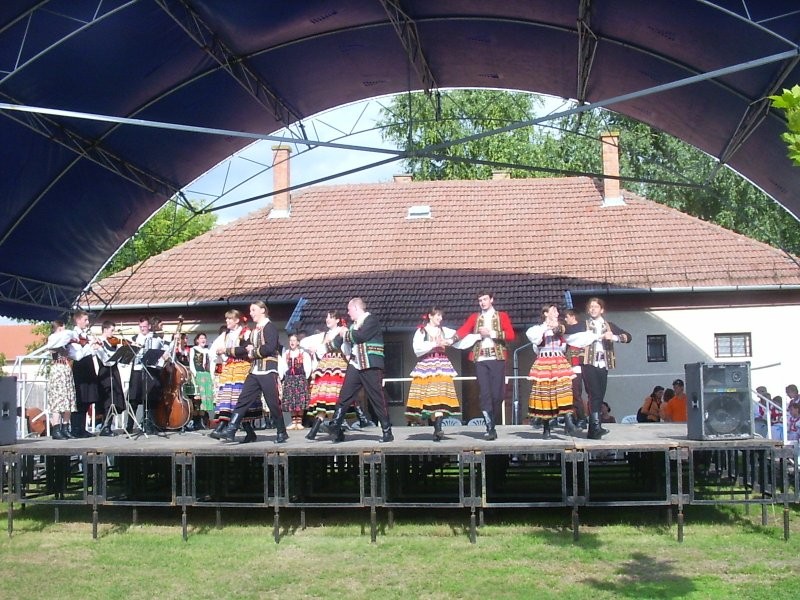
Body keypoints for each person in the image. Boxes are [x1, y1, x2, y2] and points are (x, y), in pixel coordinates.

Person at [212, 301, 286, 444]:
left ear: (262, 310)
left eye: (253, 310)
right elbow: (244, 349)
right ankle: (231, 429)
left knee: (272, 403)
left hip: (268, 370)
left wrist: (253, 351)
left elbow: (270, 347)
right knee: (243, 400)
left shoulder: (269, 327)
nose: (251, 313)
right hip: (255, 370)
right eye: (251, 311)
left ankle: (281, 431)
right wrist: (228, 350)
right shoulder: (255, 331)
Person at [326, 297, 393, 443]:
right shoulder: (353, 325)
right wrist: (324, 347)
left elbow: (361, 336)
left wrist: (345, 333)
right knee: (344, 396)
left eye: (349, 309)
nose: (348, 313)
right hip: (356, 364)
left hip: (370, 364)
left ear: (356, 308)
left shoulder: (371, 320)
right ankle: (335, 427)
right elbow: (339, 341)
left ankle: (387, 431)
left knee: (377, 397)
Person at [452, 290, 515, 441]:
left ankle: (493, 421)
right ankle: (489, 427)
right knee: (485, 393)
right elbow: (463, 330)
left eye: (485, 299)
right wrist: (451, 339)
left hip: (497, 358)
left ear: (491, 300)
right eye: (480, 300)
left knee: (498, 395)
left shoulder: (501, 316)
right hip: (480, 359)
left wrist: (491, 333)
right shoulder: (475, 317)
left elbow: (511, 335)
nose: (482, 303)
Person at [564, 297, 631, 439]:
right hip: (589, 362)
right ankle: (594, 427)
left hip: (603, 363)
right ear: (588, 310)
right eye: (591, 307)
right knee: (594, 393)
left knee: (600, 395)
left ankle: (595, 427)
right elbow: (568, 329)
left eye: (596, 306)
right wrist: (557, 327)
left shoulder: (609, 325)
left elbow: (628, 337)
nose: (593, 309)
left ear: (602, 310)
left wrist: (614, 337)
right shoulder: (584, 324)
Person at [302, 311, 371, 440]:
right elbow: (305, 343)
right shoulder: (325, 334)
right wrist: (316, 349)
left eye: (331, 317)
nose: (327, 319)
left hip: (339, 365)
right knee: (323, 396)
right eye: (327, 317)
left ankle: (324, 429)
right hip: (325, 366)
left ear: (337, 320)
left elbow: (346, 348)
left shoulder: (342, 330)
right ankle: (319, 428)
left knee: (337, 396)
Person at [405, 307, 461, 442]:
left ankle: (438, 429)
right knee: (429, 398)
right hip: (427, 365)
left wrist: (451, 340)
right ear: (430, 316)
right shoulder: (421, 331)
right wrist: (434, 343)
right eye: (438, 316)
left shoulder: (444, 330)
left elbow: (460, 335)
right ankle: (436, 429)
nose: (440, 318)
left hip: (442, 365)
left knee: (439, 396)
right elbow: (417, 348)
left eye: (441, 316)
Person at [526, 304, 577, 438]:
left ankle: (568, 420)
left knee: (565, 389)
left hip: (559, 361)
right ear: (546, 313)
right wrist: (547, 328)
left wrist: (558, 329)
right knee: (545, 394)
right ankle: (546, 428)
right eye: (553, 310)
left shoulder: (560, 328)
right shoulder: (538, 329)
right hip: (545, 362)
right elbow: (535, 340)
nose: (557, 313)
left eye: (557, 311)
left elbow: (565, 344)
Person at [208, 310, 251, 436]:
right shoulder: (225, 334)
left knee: (238, 398)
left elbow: (246, 349)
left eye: (229, 319)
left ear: (237, 320)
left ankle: (232, 429)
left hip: (241, 367)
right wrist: (219, 354)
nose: (227, 321)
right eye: (226, 319)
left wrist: (226, 351)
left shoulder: (245, 332)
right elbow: (213, 350)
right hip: (229, 368)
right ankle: (222, 427)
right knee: (226, 398)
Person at [127, 316, 169, 433]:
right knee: (134, 399)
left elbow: (165, 351)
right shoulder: (134, 338)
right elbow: (129, 355)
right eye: (140, 327)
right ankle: (129, 426)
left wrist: (163, 358)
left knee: (150, 398)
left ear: (149, 326)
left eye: (144, 326)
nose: (142, 329)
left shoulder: (156, 338)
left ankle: (150, 424)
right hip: (137, 370)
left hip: (150, 370)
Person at [69, 310, 101, 437]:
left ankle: (82, 428)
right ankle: (76, 428)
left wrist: (95, 348)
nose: (87, 323)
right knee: (80, 398)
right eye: (85, 320)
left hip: (88, 366)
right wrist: (89, 345)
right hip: (80, 368)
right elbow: (78, 355)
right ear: (78, 320)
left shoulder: (85, 334)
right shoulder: (74, 335)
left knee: (88, 398)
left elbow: (88, 353)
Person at [43, 320, 76, 440]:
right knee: (57, 399)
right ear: (60, 327)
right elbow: (65, 336)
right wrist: (70, 336)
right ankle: (56, 429)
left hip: (66, 369)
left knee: (68, 399)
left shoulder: (66, 340)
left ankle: (65, 428)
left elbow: (74, 354)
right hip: (57, 369)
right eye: (63, 327)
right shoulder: (53, 337)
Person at [96, 321, 125, 436]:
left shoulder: (112, 342)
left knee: (115, 398)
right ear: (105, 329)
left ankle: (109, 425)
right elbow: (105, 360)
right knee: (107, 399)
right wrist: (116, 353)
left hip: (114, 371)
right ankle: (105, 426)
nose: (113, 333)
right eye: (111, 330)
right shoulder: (99, 342)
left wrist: (121, 350)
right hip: (105, 372)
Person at [280, 333, 312, 430]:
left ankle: (299, 421)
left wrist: (305, 377)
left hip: (300, 378)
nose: (292, 342)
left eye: (294, 340)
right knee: (291, 400)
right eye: (291, 340)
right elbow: (283, 366)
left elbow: (308, 366)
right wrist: (284, 376)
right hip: (290, 379)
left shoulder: (303, 353)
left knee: (300, 400)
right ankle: (294, 421)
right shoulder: (286, 354)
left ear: (298, 342)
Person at [564, 309, 588, 426]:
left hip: (579, 364)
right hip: (570, 365)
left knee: (577, 393)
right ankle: (576, 417)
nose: (565, 319)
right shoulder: (567, 332)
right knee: (572, 392)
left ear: (573, 316)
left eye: (567, 317)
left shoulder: (582, 329)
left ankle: (582, 417)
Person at [188, 332, 214, 429]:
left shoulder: (207, 351)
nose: (203, 340)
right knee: (197, 398)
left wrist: (211, 375)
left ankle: (202, 420)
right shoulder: (193, 349)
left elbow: (211, 364)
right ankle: (196, 420)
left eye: (204, 338)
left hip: (206, 375)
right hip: (198, 374)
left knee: (205, 398)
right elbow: (192, 363)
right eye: (201, 338)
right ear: (197, 340)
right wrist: (195, 374)